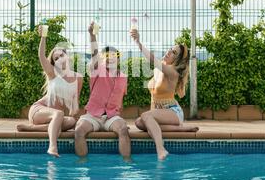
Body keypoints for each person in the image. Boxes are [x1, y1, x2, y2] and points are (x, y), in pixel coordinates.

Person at [130, 28, 198, 160]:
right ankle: (181, 129)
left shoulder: (173, 73)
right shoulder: (158, 69)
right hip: (160, 111)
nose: (168, 52)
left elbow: (151, 59)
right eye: (170, 49)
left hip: (172, 111)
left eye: (174, 53)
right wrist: (152, 113)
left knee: (145, 116)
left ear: (177, 60)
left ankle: (160, 149)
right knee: (139, 122)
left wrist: (138, 42)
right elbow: (154, 97)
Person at [16, 25, 83, 157]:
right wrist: (43, 37)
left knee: (71, 121)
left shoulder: (78, 78)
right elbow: (41, 56)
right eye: (55, 58)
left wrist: (77, 115)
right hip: (39, 110)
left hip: (54, 117)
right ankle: (52, 147)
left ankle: (32, 128)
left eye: (61, 56)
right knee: (58, 114)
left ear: (67, 56)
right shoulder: (52, 73)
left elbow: (75, 104)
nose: (59, 60)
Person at [74, 21, 131, 159]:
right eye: (106, 56)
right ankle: (83, 164)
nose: (110, 58)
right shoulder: (97, 70)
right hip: (93, 115)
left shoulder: (123, 77)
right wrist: (92, 35)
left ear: (118, 60)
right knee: (78, 132)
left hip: (112, 117)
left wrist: (119, 119)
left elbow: (120, 101)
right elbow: (94, 53)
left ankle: (127, 164)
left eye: (113, 56)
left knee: (123, 130)